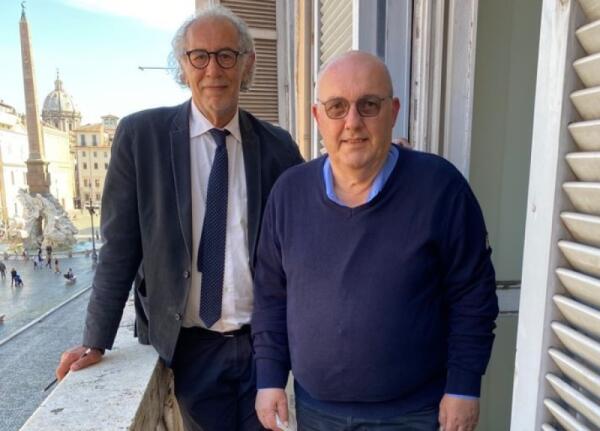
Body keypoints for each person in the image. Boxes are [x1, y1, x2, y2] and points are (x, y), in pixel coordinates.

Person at [55, 6, 302, 431]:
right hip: (190, 347)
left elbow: (303, 242)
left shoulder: (278, 147)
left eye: (226, 55)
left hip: (264, 345)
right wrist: (96, 339)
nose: (213, 69)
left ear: (247, 64)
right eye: (199, 56)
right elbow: (120, 247)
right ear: (183, 66)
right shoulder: (141, 137)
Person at [252, 51, 499, 431]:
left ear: (393, 111)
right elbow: (271, 295)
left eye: (368, 105)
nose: (352, 122)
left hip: (416, 413)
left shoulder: (440, 188)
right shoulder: (288, 193)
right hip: (316, 412)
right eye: (337, 107)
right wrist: (269, 378)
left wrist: (464, 386)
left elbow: (472, 294)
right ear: (318, 117)